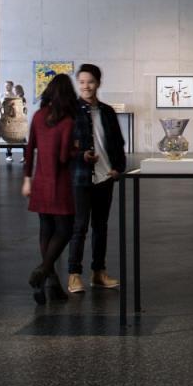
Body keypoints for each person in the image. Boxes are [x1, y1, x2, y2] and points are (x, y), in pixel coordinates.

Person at [66, 63, 126, 294]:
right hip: (80, 178)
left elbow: (118, 143)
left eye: (90, 82)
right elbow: (63, 148)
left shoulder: (107, 111)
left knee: (101, 226)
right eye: (81, 82)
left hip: (105, 177)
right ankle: (74, 275)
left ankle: (98, 273)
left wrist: (117, 168)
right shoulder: (71, 111)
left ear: (98, 83)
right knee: (79, 226)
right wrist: (80, 155)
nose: (85, 86)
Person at [22, 73, 79, 303]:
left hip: (40, 182)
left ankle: (51, 283)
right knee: (65, 230)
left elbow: (29, 150)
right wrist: (80, 151)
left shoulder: (37, 117)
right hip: (61, 183)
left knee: (46, 229)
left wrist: (27, 178)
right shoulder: (67, 122)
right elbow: (65, 156)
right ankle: (43, 271)